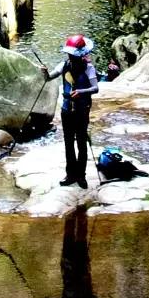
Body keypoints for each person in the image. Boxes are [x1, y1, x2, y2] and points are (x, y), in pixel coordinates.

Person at [57, 34, 99, 187]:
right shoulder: (64, 66)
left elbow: (95, 88)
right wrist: (44, 73)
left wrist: (81, 92)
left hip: (82, 110)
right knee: (68, 143)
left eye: (73, 54)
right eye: (69, 54)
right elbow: (49, 77)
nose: (70, 56)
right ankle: (70, 175)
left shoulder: (89, 68)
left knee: (81, 142)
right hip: (67, 110)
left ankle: (81, 176)